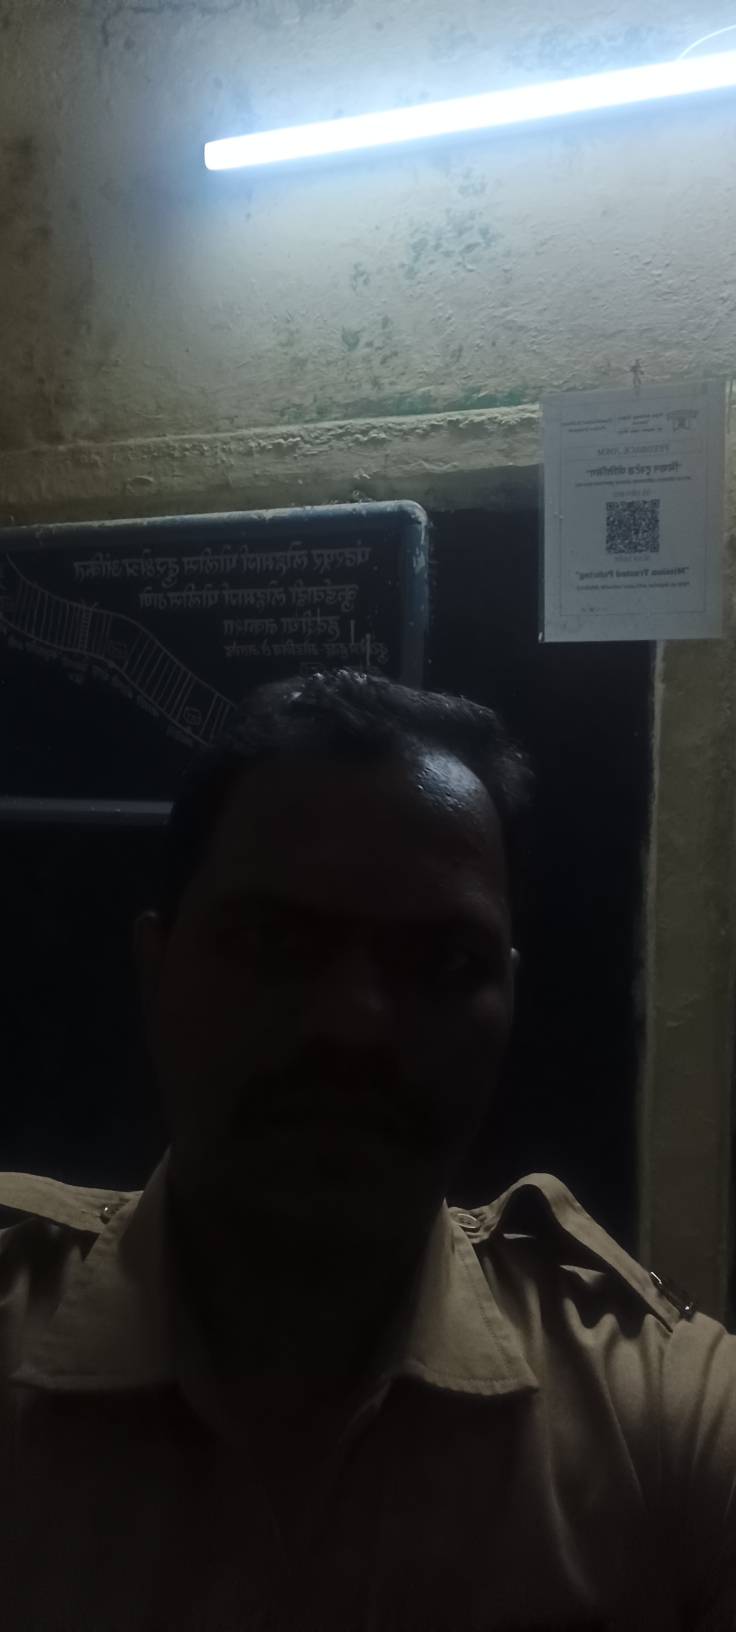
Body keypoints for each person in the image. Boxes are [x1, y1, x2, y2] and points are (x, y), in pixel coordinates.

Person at [0, 667, 734, 1632]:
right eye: (273, 943)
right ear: (155, 970)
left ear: (510, 1004)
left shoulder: (660, 1412)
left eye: (445, 964)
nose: (354, 1027)